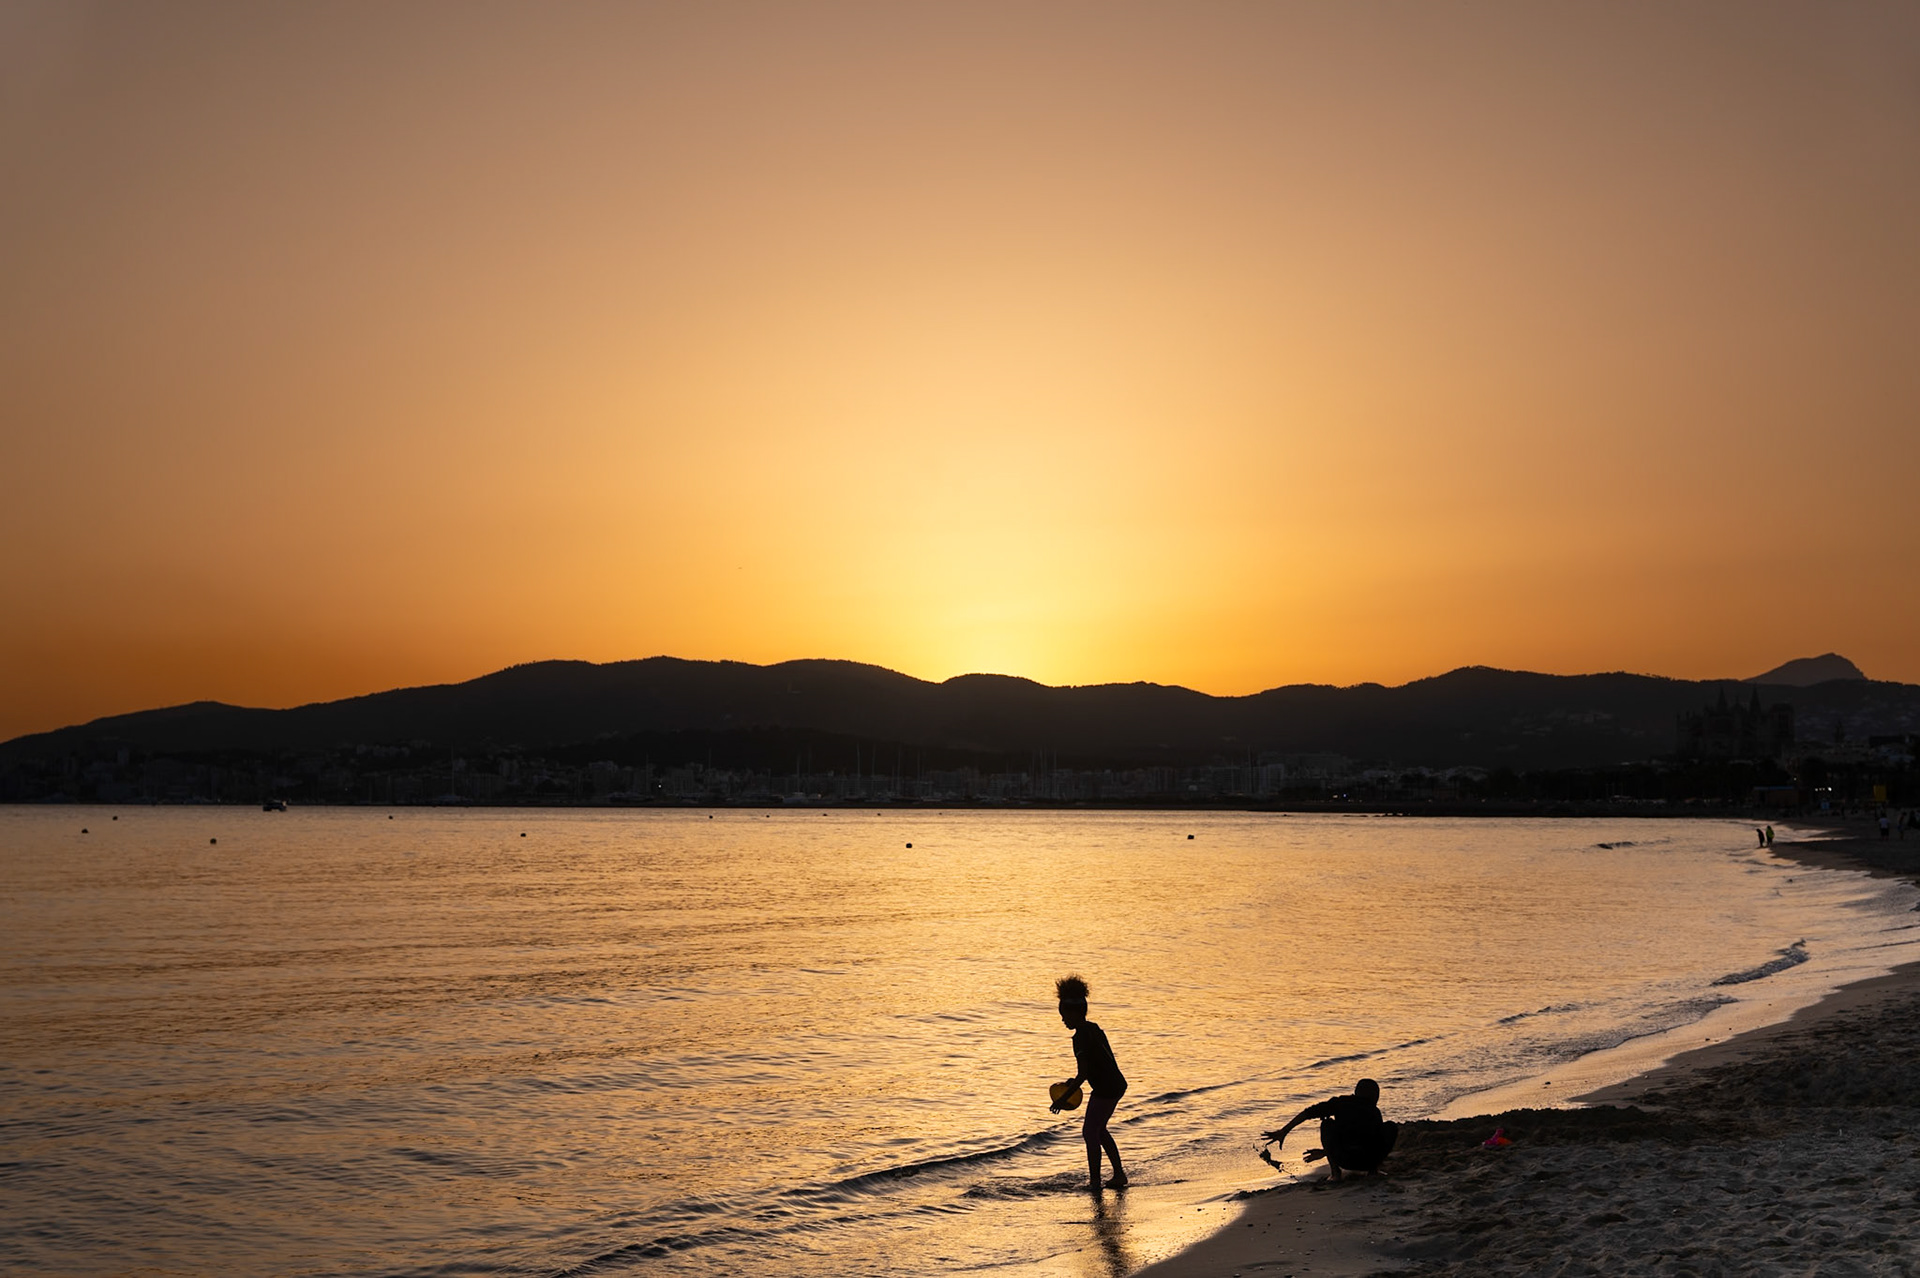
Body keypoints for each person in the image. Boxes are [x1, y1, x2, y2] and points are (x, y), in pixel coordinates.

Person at [1051, 974, 1128, 1191]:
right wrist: (1072, 1081)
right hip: (1115, 1084)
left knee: (1089, 1132)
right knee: (1099, 1130)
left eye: (1064, 1015)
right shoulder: (1093, 1028)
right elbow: (1095, 1064)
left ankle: (1095, 1182)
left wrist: (1062, 1099)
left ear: (1074, 1012)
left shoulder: (1079, 1038)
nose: (1063, 1019)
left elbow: (1083, 1074)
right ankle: (1119, 1175)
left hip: (1105, 1088)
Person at [1261, 1079, 1398, 1181]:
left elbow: (1307, 1113)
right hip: (1368, 1161)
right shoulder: (1374, 1111)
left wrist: (1285, 1130)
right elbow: (1368, 1142)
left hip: (1343, 1159)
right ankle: (1373, 1171)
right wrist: (1325, 1152)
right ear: (1374, 1095)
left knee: (1327, 1123)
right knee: (1391, 1126)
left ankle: (1335, 1173)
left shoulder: (1340, 1103)